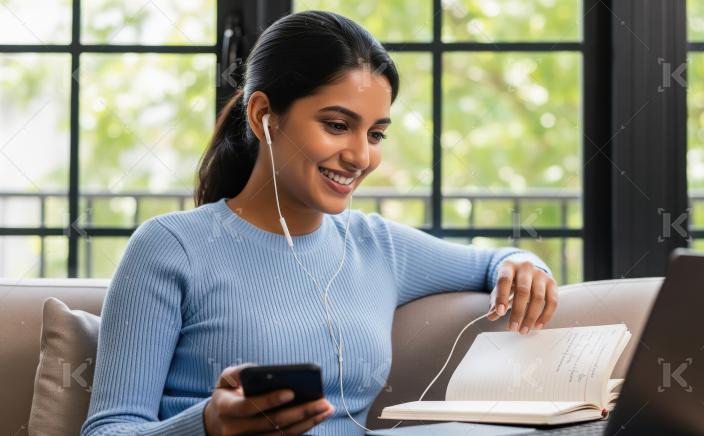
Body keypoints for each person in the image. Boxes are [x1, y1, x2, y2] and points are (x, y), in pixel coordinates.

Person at [80, 10, 558, 436]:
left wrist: (522, 263)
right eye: (336, 125)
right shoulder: (170, 247)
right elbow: (107, 429)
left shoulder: (378, 245)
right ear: (263, 114)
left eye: (375, 134)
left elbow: (495, 260)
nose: (360, 156)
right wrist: (208, 424)